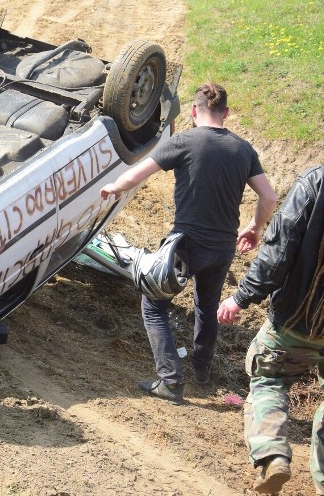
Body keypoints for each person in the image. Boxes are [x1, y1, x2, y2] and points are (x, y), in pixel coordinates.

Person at [99, 83, 277, 404]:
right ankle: (202, 372)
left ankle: (170, 381)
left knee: (153, 306)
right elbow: (269, 196)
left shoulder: (184, 141)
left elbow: (138, 174)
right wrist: (254, 227)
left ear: (194, 112)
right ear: (226, 113)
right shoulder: (244, 150)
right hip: (222, 248)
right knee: (206, 308)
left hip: (186, 245)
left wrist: (113, 188)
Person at [217, 115, 324, 495]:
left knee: (268, 377)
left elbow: (277, 256)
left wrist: (241, 296)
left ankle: (273, 454)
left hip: (299, 321)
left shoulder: (317, 182)